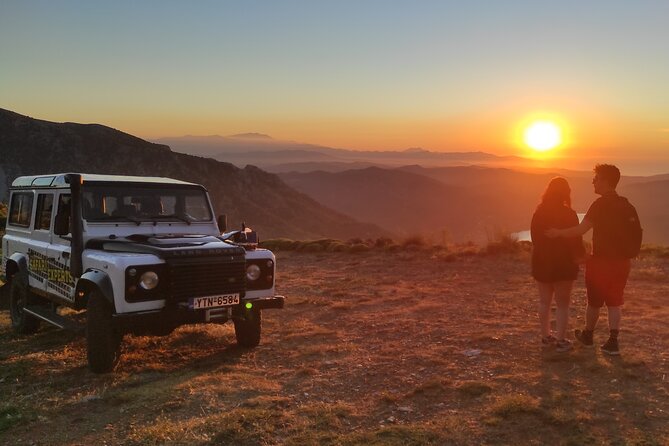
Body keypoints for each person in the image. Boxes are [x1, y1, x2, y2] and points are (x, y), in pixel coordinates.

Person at [546, 164, 638, 355]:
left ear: (605, 180)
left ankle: (588, 336)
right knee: (615, 302)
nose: (593, 181)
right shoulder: (626, 205)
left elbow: (581, 230)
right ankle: (613, 342)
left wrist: (558, 233)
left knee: (594, 302)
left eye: (596, 178)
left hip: (601, 262)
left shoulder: (599, 205)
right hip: (622, 263)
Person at [531, 177, 584, 352]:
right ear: (566, 193)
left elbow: (535, 239)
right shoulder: (569, 214)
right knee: (563, 304)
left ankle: (545, 337)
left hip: (542, 263)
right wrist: (579, 257)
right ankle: (561, 340)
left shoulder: (539, 213)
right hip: (564, 264)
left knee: (544, 302)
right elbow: (576, 239)